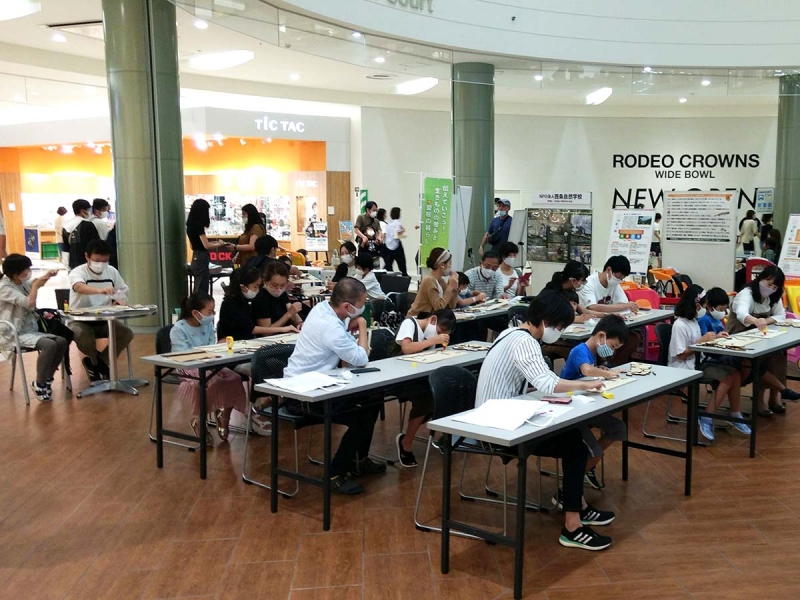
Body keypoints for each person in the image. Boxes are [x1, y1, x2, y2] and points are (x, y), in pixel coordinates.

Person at [475, 291, 615, 551]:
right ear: (544, 320)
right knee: (575, 446)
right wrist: (585, 386)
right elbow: (547, 383)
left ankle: (577, 505)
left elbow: (532, 382)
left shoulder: (511, 333)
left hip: (500, 416)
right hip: (499, 428)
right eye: (558, 326)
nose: (558, 333)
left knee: (573, 437)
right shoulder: (524, 341)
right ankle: (572, 525)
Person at [284, 277, 385, 495]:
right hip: (303, 394)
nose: (363, 308)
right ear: (348, 306)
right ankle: (334, 474)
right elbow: (360, 358)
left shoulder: (323, 308)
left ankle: (359, 460)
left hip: (320, 384)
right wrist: (363, 325)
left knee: (373, 399)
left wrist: (350, 327)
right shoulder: (330, 326)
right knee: (362, 414)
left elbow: (344, 344)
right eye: (361, 304)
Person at [669, 285, 751, 441]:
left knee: (735, 373)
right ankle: (707, 416)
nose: (704, 309)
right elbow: (681, 355)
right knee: (728, 377)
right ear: (694, 304)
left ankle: (735, 413)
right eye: (703, 305)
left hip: (698, 361)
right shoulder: (680, 325)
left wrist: (716, 338)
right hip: (685, 366)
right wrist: (700, 342)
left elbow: (700, 344)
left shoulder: (693, 321)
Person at [561, 315, 630, 488]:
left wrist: (600, 370)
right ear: (601, 336)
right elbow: (586, 370)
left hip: (586, 406)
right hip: (570, 411)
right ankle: (568, 488)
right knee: (595, 452)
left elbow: (589, 371)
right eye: (613, 346)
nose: (612, 351)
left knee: (618, 428)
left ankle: (585, 467)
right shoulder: (580, 350)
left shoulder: (592, 353)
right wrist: (607, 374)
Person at [171, 292, 247, 446]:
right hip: (188, 366)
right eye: (209, 311)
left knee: (234, 378)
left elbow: (211, 347)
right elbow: (183, 355)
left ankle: (224, 416)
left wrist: (219, 346)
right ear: (195, 313)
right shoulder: (178, 329)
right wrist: (208, 353)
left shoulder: (208, 325)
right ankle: (199, 420)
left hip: (209, 363)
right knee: (208, 381)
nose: (212, 314)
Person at [729, 265, 800, 416]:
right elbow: (741, 313)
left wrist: (765, 321)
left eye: (774, 287)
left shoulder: (774, 296)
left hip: (760, 338)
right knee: (763, 359)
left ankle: (775, 397)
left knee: (779, 358)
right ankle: (760, 399)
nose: (771, 289)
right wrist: (755, 320)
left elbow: (780, 315)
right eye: (769, 284)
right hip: (738, 339)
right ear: (760, 279)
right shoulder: (746, 294)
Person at [0, 255, 68, 401]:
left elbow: (35, 283)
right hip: (13, 332)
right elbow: (29, 302)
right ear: (15, 273)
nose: (28, 272)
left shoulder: (20, 282)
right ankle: (39, 383)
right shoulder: (4, 288)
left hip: (30, 329)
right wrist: (36, 286)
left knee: (62, 341)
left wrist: (47, 276)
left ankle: (47, 378)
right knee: (49, 345)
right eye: (25, 269)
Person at [394, 308, 456, 467]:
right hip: (399, 376)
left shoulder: (430, 334)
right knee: (427, 398)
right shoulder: (410, 324)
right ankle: (406, 442)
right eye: (439, 331)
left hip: (418, 376)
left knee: (447, 389)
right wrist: (433, 340)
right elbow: (406, 348)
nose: (438, 335)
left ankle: (446, 437)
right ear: (433, 320)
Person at [68, 239, 133, 381]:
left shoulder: (112, 271)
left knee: (126, 333)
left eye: (105, 261)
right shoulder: (77, 272)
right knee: (84, 338)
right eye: (97, 260)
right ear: (87, 256)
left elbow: (122, 289)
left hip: (105, 319)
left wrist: (118, 299)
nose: (101, 264)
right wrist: (99, 290)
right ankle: (96, 362)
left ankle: (99, 362)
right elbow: (79, 287)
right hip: (80, 320)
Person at [217, 267, 290, 341]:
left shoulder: (244, 300)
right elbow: (250, 329)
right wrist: (283, 329)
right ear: (243, 287)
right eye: (255, 287)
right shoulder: (230, 304)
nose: (257, 290)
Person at [186, 198, 232, 294]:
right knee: (202, 288)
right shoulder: (199, 226)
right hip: (201, 257)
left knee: (198, 286)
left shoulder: (190, 226)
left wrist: (216, 243)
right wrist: (220, 244)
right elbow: (206, 245)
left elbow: (195, 245)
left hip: (195, 256)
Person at [251, 261, 304, 334]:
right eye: (274, 285)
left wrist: (300, 323)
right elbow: (266, 332)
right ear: (265, 281)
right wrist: (288, 314)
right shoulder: (261, 299)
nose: (278, 289)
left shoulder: (283, 294)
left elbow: (292, 312)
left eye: (282, 285)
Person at [407, 247, 458, 318]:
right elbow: (439, 308)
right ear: (442, 265)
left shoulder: (440, 281)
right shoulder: (429, 280)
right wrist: (450, 287)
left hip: (429, 318)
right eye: (450, 263)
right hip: (418, 318)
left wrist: (454, 288)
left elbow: (452, 305)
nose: (450, 266)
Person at [65, 199, 99, 270]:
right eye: (88, 210)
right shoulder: (88, 225)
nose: (89, 212)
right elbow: (95, 243)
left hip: (72, 260)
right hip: (86, 260)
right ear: (82, 211)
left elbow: (65, 247)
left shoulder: (66, 226)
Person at [384, 207, 409, 276]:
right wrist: (403, 230)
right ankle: (404, 276)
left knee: (388, 265)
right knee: (402, 264)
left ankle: (387, 277)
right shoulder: (398, 223)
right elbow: (397, 234)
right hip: (396, 246)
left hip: (388, 246)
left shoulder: (388, 224)